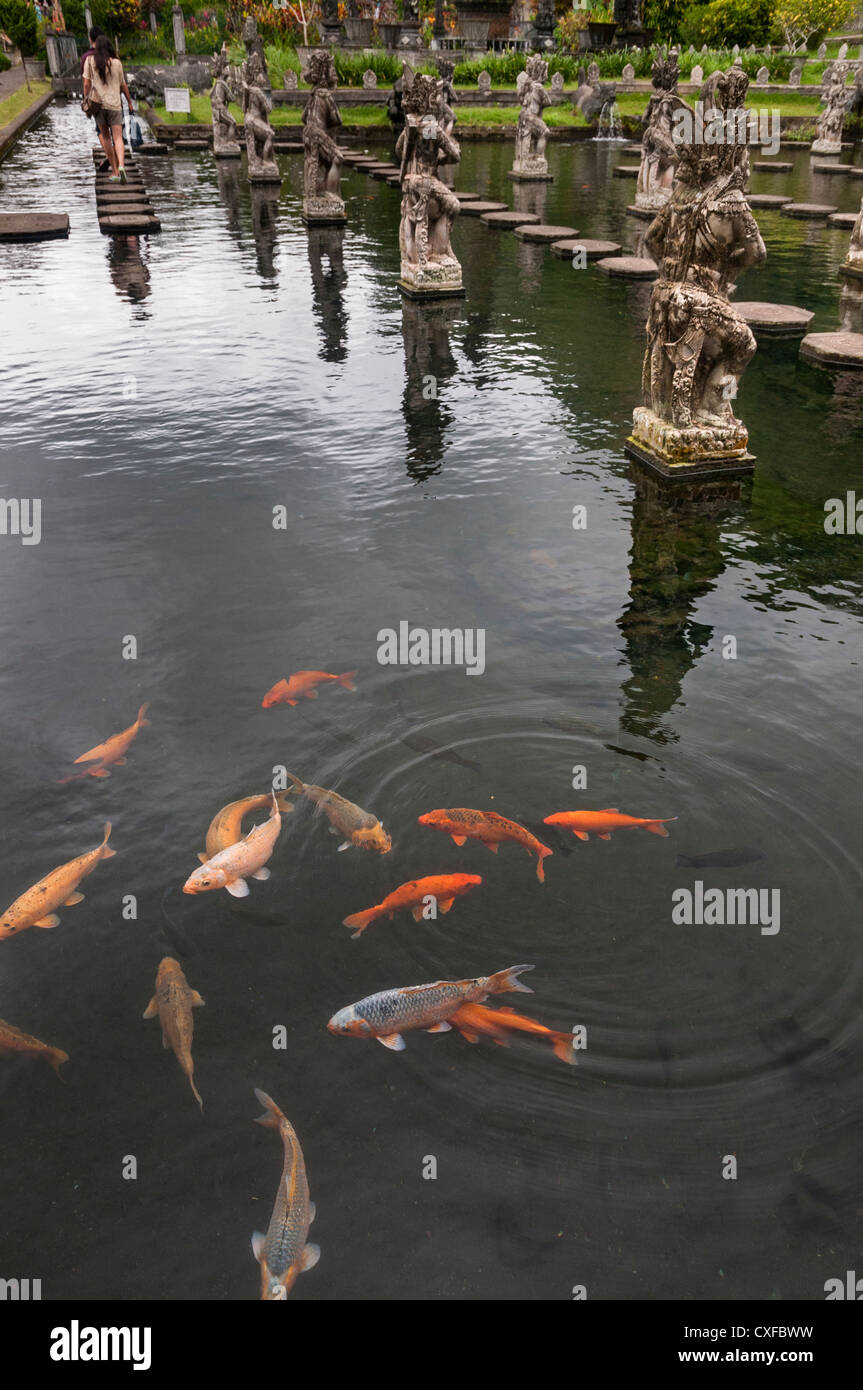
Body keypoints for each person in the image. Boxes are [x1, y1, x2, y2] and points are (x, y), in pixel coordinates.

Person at [83, 35, 134, 183]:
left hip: (99, 106)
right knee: (118, 138)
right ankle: (122, 165)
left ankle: (115, 171)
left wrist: (86, 104)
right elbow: (123, 85)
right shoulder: (117, 63)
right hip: (115, 106)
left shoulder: (90, 61)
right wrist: (129, 102)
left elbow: (86, 85)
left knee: (106, 137)